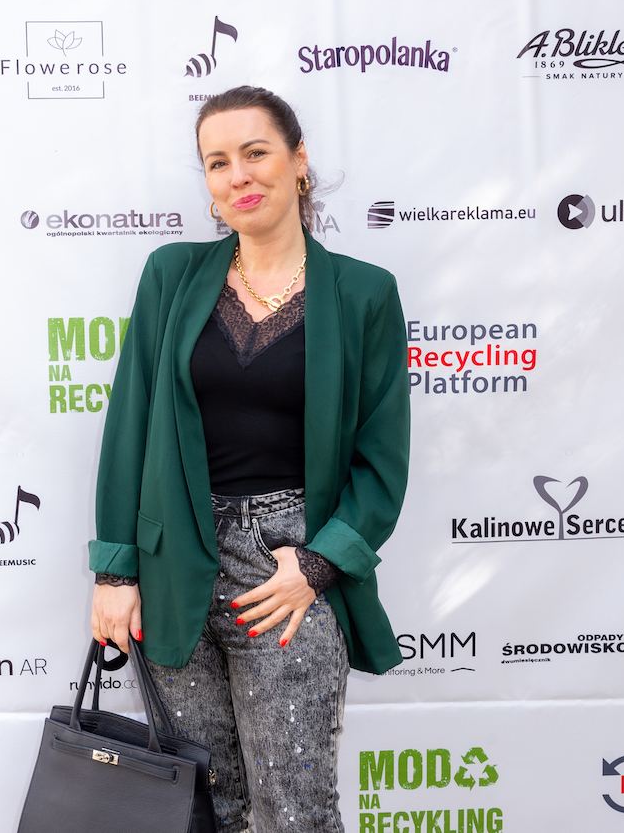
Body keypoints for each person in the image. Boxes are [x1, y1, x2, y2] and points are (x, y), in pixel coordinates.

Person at [88, 85, 409, 833]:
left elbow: (381, 458)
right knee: (207, 809)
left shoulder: (364, 293)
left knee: (295, 813)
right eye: (217, 162)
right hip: (174, 567)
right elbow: (128, 428)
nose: (239, 175)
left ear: (299, 162)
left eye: (256, 152)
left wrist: (318, 565)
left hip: (284, 572)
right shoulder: (171, 276)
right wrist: (115, 572)